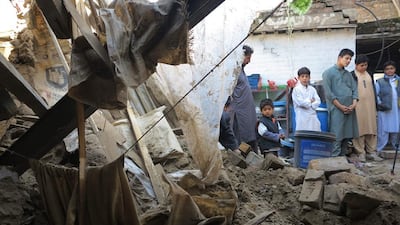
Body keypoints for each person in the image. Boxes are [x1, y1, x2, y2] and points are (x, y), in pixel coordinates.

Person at [322, 48, 358, 157]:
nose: (348, 61)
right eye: (347, 58)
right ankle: (335, 161)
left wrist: (354, 104)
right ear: (339, 58)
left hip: (350, 109)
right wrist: (341, 106)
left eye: (350, 59)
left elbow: (355, 89)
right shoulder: (328, 73)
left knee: (347, 136)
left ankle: (343, 159)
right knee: (337, 136)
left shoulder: (348, 74)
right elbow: (329, 94)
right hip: (337, 109)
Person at [351, 55, 383, 162]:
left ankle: (371, 152)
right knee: (359, 129)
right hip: (358, 107)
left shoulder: (369, 74)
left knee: (371, 128)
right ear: (356, 65)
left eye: (366, 65)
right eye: (362, 65)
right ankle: (360, 153)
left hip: (370, 106)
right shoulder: (351, 75)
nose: (364, 67)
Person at [230, 45, 258, 152]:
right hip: (239, 110)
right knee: (241, 134)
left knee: (250, 133)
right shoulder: (233, 70)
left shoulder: (241, 70)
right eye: (248, 58)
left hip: (247, 109)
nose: (249, 61)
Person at [375, 60, 400, 154]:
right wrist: (380, 104)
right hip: (384, 109)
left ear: (395, 69)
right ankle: (380, 148)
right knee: (383, 128)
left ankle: (396, 146)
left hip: (397, 109)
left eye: (391, 68)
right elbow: (376, 95)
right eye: (387, 69)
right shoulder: (380, 82)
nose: (389, 71)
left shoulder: (398, 80)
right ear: (384, 71)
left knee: (396, 127)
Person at [292, 67, 321, 131]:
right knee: (303, 135)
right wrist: (310, 101)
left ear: (309, 77)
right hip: (302, 117)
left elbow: (318, 101)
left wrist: (310, 103)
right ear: (299, 78)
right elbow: (301, 103)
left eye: (306, 76)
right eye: (302, 76)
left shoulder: (312, 89)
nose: (304, 78)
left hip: (312, 116)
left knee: (315, 134)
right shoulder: (296, 90)